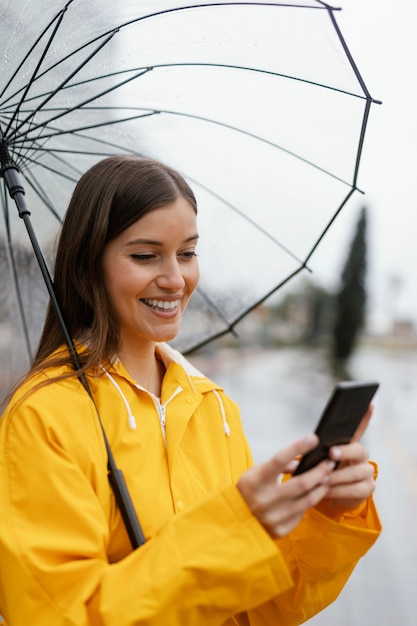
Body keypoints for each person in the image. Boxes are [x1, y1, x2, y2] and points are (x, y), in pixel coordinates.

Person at [0, 155, 381, 626]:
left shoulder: (213, 407)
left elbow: (260, 608)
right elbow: (57, 615)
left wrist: (328, 511)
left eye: (187, 252)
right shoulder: (45, 415)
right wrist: (232, 526)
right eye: (145, 255)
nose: (176, 280)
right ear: (88, 263)